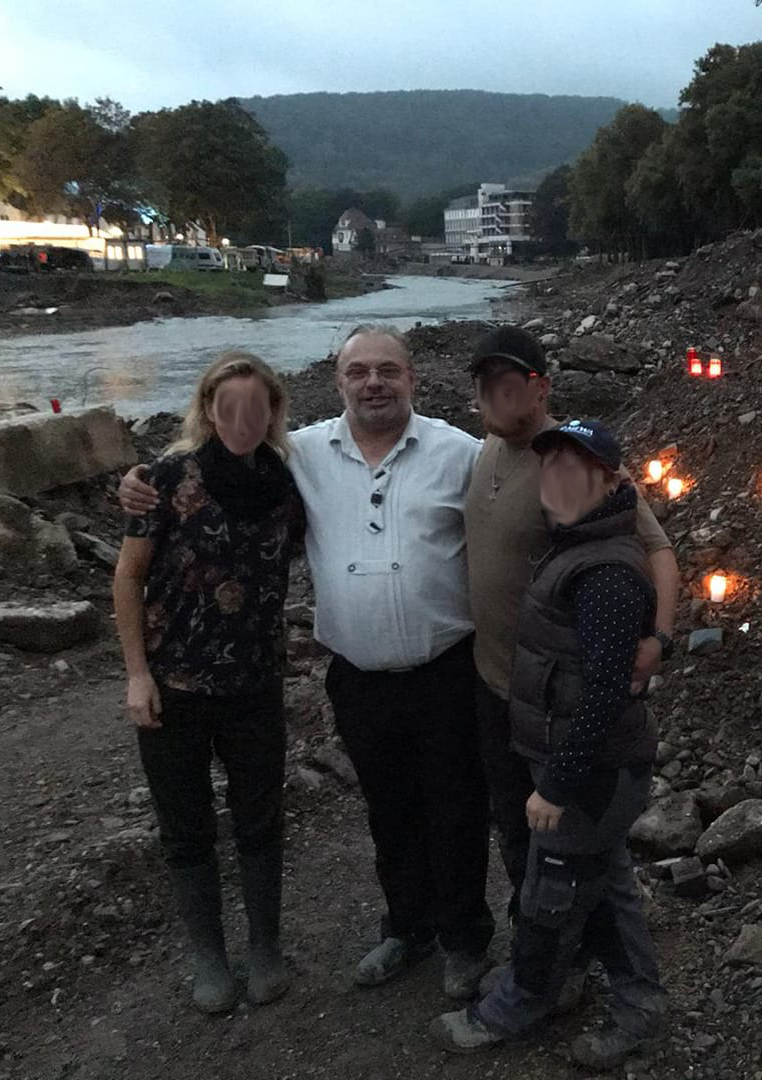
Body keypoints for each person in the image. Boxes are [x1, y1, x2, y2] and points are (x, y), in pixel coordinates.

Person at [120, 326, 495, 1001]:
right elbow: (207, 461)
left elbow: (516, 496)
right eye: (358, 372)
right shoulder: (303, 454)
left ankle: (465, 941)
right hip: (356, 676)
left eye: (387, 370)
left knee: (457, 808)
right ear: (338, 381)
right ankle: (408, 928)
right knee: (388, 811)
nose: (373, 383)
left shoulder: (459, 453)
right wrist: (135, 482)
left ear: (412, 378)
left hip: (444, 668)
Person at [431, 419, 665, 1070]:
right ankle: (639, 1007)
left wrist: (556, 786)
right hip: (589, 766)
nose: (559, 482)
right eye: (551, 469)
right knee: (607, 886)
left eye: (576, 470)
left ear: (610, 481)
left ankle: (515, 1006)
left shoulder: (607, 573)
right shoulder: (577, 543)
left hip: (592, 772)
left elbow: (603, 696)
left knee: (550, 898)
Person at [112, 351, 306, 1013]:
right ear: (208, 410)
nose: (242, 419)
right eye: (229, 407)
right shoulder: (166, 478)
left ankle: (265, 950)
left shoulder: (286, 484)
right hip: (174, 688)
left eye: (256, 406)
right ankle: (208, 957)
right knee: (186, 827)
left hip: (255, 684)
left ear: (273, 411)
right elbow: (128, 577)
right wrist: (137, 675)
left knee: (260, 819)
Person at [465, 326, 678, 921]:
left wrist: (659, 639)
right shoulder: (484, 451)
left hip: (554, 695)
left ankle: (566, 946)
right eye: (485, 386)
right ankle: (533, 931)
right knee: (513, 823)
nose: (496, 397)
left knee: (565, 835)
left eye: (510, 384)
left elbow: (657, 548)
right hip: (492, 682)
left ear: (541, 388)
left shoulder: (571, 461)